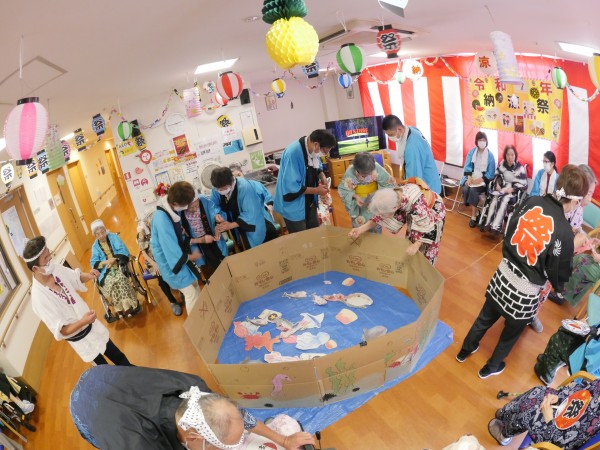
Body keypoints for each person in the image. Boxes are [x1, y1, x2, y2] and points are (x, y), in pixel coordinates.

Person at [457, 165, 588, 379]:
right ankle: (490, 367)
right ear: (575, 201)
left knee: (484, 318)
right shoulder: (564, 231)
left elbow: (510, 231)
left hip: (502, 275)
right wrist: (570, 250)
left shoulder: (532, 201)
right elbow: (557, 271)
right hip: (524, 293)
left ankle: (465, 350)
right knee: (510, 334)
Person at [70, 364, 315, 449]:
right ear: (194, 438)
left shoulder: (197, 389)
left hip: (109, 378)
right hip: (88, 410)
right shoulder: (139, 443)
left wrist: (283, 440)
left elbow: (237, 417)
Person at [25, 236, 132, 366]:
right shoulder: (39, 299)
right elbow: (62, 330)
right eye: (46, 258)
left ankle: (135, 374)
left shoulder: (55, 269)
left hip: (92, 326)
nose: (50, 259)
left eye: (49, 254)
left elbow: (76, 278)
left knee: (119, 357)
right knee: (105, 371)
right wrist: (83, 321)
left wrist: (89, 275)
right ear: (35, 269)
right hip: (82, 341)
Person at [348, 181, 446, 265]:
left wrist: (416, 245)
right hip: (414, 209)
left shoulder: (417, 205)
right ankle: (412, 267)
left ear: (395, 208)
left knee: (427, 248)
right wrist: (360, 229)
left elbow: (428, 227)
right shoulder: (392, 196)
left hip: (432, 211)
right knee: (412, 237)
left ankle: (425, 272)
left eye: (384, 214)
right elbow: (379, 217)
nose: (382, 216)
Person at [488, 377, 600, 448]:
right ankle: (506, 414)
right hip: (564, 408)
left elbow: (563, 443)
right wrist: (560, 397)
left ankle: (504, 434)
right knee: (539, 391)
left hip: (554, 433)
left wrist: (549, 419)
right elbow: (582, 390)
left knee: (532, 409)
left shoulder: (596, 421)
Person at [550, 164, 599, 305]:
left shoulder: (578, 208)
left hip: (564, 245)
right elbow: (568, 229)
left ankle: (561, 289)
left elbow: (576, 228)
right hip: (555, 246)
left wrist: (585, 238)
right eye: (589, 194)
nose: (590, 199)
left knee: (578, 260)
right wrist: (580, 238)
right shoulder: (565, 207)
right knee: (576, 260)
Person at [151, 182, 203, 311]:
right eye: (186, 205)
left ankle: (202, 313)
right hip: (171, 264)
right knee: (190, 293)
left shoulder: (169, 210)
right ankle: (195, 322)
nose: (187, 207)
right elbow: (171, 250)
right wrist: (192, 257)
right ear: (175, 203)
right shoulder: (161, 219)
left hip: (177, 258)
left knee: (195, 284)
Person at [273, 129, 336, 233]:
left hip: (309, 201)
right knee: (301, 238)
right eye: (325, 151)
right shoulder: (293, 153)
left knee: (314, 234)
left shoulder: (312, 150)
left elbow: (317, 165)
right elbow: (292, 187)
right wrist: (317, 190)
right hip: (294, 205)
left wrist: (322, 176)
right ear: (316, 145)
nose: (325, 154)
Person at [210, 167, 277, 249]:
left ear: (231, 181)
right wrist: (217, 215)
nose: (221, 190)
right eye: (219, 189)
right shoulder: (216, 188)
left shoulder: (245, 187)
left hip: (257, 225)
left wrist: (231, 225)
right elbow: (213, 205)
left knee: (266, 249)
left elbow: (250, 213)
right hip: (238, 229)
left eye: (224, 188)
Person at [137, 213, 185, 316]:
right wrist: (154, 264)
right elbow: (144, 253)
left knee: (176, 268)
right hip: (153, 262)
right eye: (149, 218)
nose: (151, 220)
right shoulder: (142, 233)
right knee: (161, 278)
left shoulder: (160, 226)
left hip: (165, 256)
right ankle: (172, 301)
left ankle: (182, 291)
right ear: (146, 221)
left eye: (152, 217)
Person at [90, 220, 140, 319]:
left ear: (105, 230)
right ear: (95, 236)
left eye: (102, 232)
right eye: (98, 234)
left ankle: (129, 307)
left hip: (118, 264)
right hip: (105, 271)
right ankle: (119, 309)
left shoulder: (113, 237)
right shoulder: (95, 246)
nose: (101, 236)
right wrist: (106, 262)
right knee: (112, 283)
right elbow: (93, 262)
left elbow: (123, 250)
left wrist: (114, 259)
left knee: (120, 279)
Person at [381, 115, 441, 194]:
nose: (390, 138)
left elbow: (414, 178)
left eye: (391, 135)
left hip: (428, 188)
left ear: (399, 129)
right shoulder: (411, 129)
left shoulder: (411, 148)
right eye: (387, 135)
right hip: (431, 180)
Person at [338, 152, 395, 230]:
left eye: (370, 173)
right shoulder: (350, 171)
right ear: (356, 169)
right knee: (359, 226)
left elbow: (388, 184)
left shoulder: (376, 167)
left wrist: (379, 196)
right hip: (358, 203)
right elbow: (344, 190)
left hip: (374, 200)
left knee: (375, 223)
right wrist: (355, 196)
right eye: (364, 174)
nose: (367, 175)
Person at [479, 145, 527, 234]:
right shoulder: (502, 164)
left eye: (512, 155)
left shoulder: (519, 167)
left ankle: (496, 227)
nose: (510, 157)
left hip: (512, 191)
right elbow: (496, 175)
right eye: (508, 154)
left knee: (503, 199)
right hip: (502, 187)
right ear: (505, 155)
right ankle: (488, 223)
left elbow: (523, 184)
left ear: (515, 155)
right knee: (494, 199)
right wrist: (497, 184)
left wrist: (512, 189)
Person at [460, 131, 496, 228]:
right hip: (472, 177)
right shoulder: (472, 152)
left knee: (473, 190)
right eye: (480, 140)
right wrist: (469, 178)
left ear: (486, 141)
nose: (482, 142)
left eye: (484, 140)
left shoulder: (490, 155)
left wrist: (479, 180)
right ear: (476, 141)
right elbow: (467, 166)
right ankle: (476, 212)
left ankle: (473, 217)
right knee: (466, 188)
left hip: (483, 181)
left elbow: (491, 173)